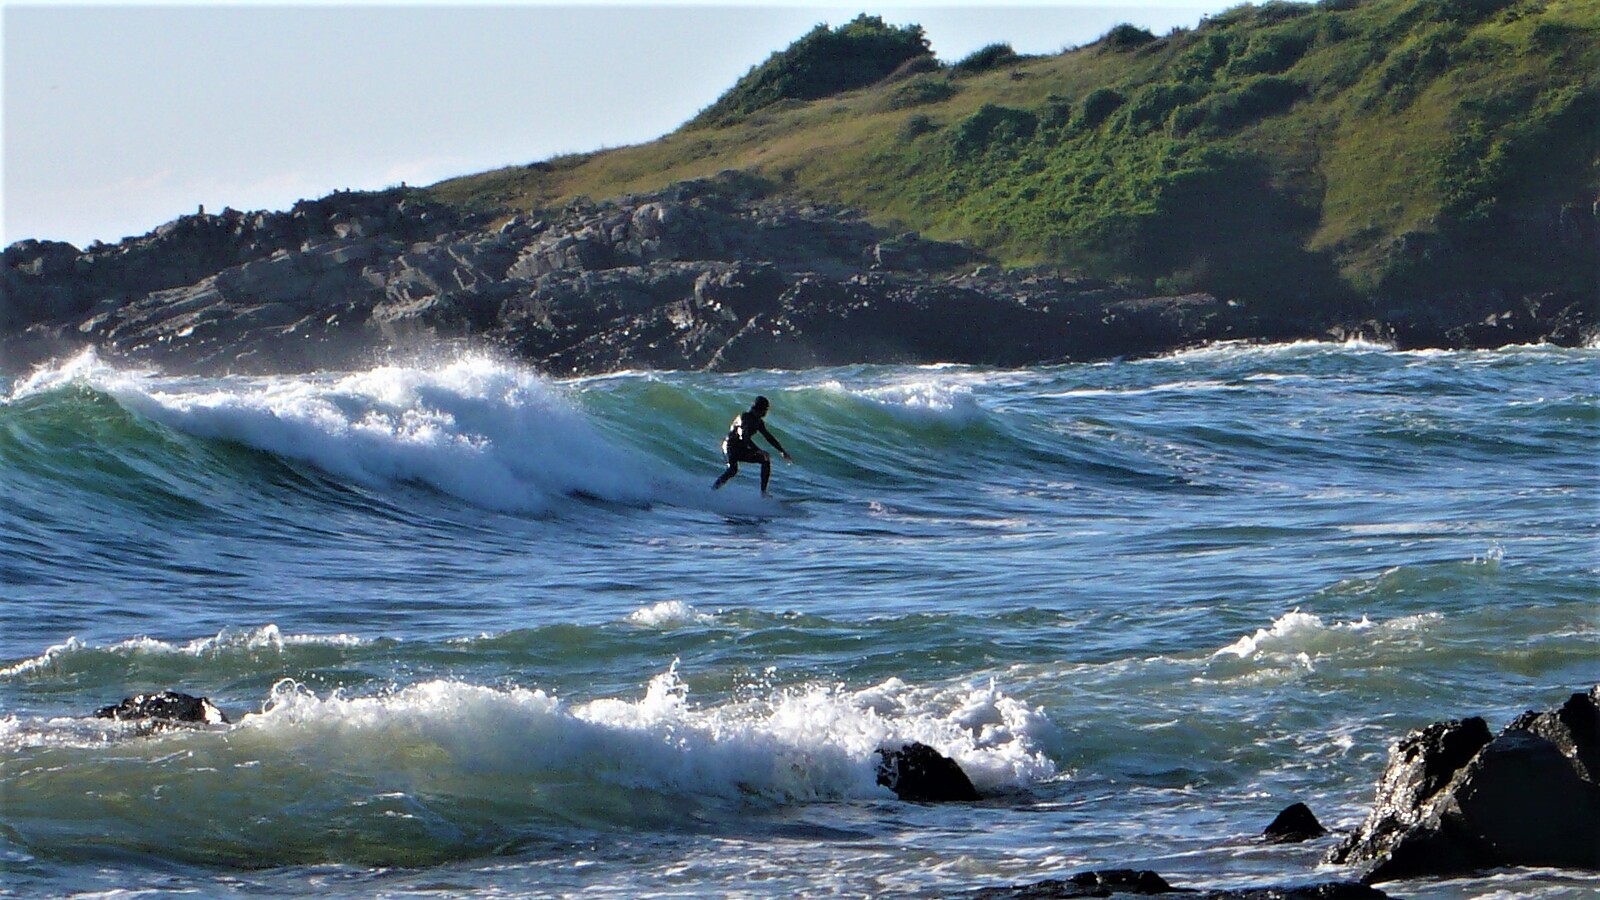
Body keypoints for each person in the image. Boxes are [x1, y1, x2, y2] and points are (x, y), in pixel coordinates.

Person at [713, 395, 792, 496]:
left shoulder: (758, 421)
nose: (766, 412)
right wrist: (758, 450)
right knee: (732, 470)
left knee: (765, 459)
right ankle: (713, 490)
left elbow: (768, 437)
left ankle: (763, 493)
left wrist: (782, 451)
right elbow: (743, 437)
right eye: (766, 410)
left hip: (742, 447)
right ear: (761, 409)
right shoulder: (744, 418)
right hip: (730, 447)